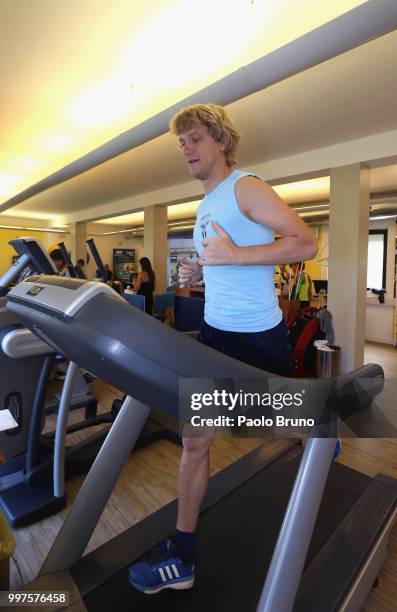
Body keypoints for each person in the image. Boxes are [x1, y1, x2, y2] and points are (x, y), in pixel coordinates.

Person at [128, 103, 317, 594]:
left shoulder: (245, 187)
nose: (185, 149)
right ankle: (183, 555)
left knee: (271, 420)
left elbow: (305, 242)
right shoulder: (206, 203)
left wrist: (235, 255)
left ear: (219, 140)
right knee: (195, 441)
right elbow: (227, 267)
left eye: (193, 139)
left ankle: (321, 423)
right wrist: (202, 274)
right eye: (181, 143)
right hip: (216, 333)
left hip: (256, 339)